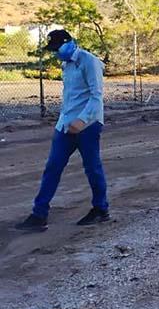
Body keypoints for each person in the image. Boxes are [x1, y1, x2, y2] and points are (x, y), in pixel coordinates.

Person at [15, 30, 109, 232]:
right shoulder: (66, 64)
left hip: (88, 125)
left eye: (58, 48)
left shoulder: (89, 61)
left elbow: (96, 96)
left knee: (92, 167)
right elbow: (71, 96)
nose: (56, 52)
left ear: (69, 43)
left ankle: (101, 209)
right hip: (65, 125)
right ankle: (39, 214)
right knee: (52, 167)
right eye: (54, 50)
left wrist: (82, 120)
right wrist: (64, 121)